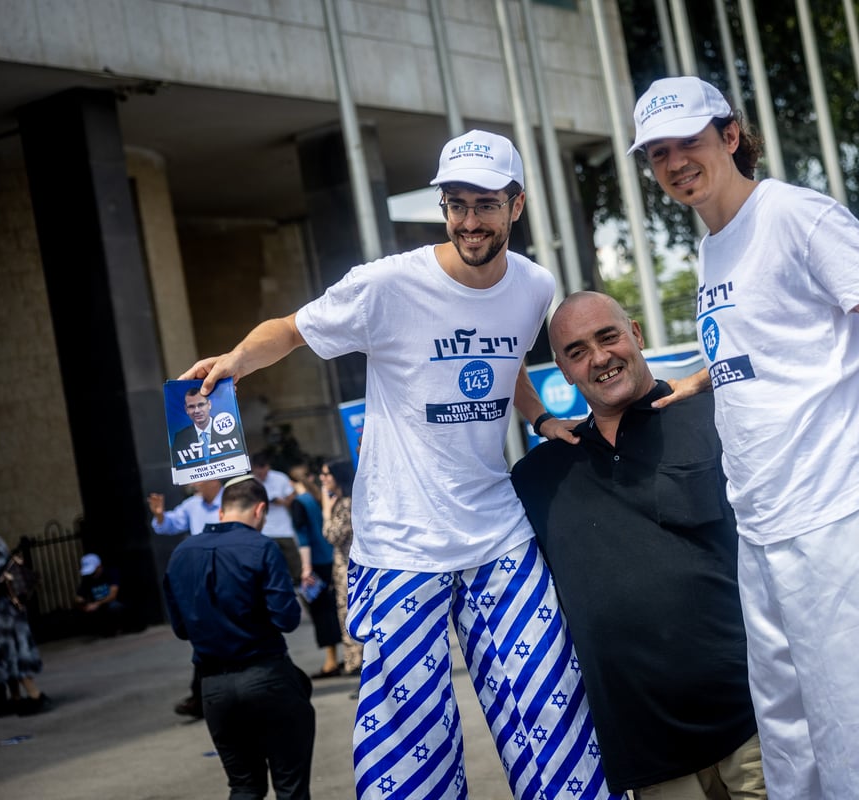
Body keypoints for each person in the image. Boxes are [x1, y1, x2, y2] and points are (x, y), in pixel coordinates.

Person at [178, 130, 620, 800]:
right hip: (399, 544)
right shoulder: (387, 284)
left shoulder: (535, 285)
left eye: (486, 204)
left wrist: (538, 418)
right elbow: (291, 329)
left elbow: (510, 366)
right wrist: (235, 360)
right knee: (408, 743)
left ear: (516, 205)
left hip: (497, 531)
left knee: (554, 711)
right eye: (456, 203)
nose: (470, 219)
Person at [628, 76, 859, 798]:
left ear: (731, 135)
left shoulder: (796, 214)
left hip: (841, 502)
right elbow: (761, 344)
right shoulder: (713, 248)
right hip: (766, 519)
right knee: (792, 734)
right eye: (657, 153)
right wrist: (699, 381)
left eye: (689, 142)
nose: (675, 162)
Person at [512, 292, 859, 797]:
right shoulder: (541, 478)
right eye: (577, 351)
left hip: (759, 727)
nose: (599, 358)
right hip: (649, 756)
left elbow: (822, 486)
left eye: (608, 336)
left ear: (637, 335)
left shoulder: (725, 419)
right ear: (562, 369)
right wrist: (535, 418)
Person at [164, 475, 316, 799]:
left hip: (214, 688)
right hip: (266, 675)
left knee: (244, 787)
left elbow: (180, 629)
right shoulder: (262, 547)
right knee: (291, 787)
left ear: (221, 512)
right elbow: (287, 619)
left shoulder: (180, 554)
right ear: (260, 510)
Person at [148, 478, 224, 718]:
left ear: (215, 478)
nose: (195, 484)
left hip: (226, 571)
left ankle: (203, 696)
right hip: (202, 577)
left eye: (200, 478)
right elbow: (169, 525)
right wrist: (160, 515)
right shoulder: (192, 505)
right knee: (205, 637)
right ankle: (201, 695)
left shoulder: (230, 500)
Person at [0, 518, 51, 716]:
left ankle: (35, 696)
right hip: (0, 615)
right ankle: (19, 698)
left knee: (15, 657)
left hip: (5, 615)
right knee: (8, 658)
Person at [289, 460, 344, 679]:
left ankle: (331, 662)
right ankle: (338, 657)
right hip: (331, 559)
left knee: (321, 614)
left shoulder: (299, 503)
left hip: (314, 563)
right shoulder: (319, 498)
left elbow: (303, 538)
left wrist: (305, 568)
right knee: (333, 609)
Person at [318, 459, 363, 678]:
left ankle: (358, 666)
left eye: (327, 474)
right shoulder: (343, 501)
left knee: (351, 617)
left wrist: (326, 512)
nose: (322, 478)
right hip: (343, 569)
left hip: (350, 570)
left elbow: (332, 535)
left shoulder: (347, 503)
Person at [251, 452, 302, 581]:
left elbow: (292, 495)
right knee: (269, 568)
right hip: (264, 531)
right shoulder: (250, 482)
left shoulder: (280, 477)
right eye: (259, 472)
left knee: (294, 566)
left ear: (268, 467)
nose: (262, 475)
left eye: (264, 471)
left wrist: (283, 502)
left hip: (284, 529)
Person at [171, 387, 242, 469]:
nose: (197, 410)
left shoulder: (231, 429)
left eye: (201, 405)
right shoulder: (180, 438)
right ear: (186, 409)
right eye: (191, 407)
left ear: (209, 404)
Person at [74, 553, 126, 637]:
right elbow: (79, 595)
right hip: (98, 606)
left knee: (115, 607)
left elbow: (113, 595)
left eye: (93, 570)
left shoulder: (110, 573)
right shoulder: (87, 579)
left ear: (99, 566)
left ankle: (119, 627)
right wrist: (83, 603)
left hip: (110, 603)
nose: (92, 574)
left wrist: (97, 604)